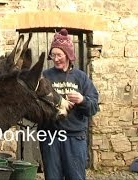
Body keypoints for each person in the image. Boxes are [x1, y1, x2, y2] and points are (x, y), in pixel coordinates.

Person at [38, 29, 99, 180]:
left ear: (68, 55)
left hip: (75, 137)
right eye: (53, 55)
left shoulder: (81, 78)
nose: (56, 59)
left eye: (59, 55)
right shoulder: (45, 76)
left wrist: (82, 100)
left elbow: (93, 107)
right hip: (50, 137)